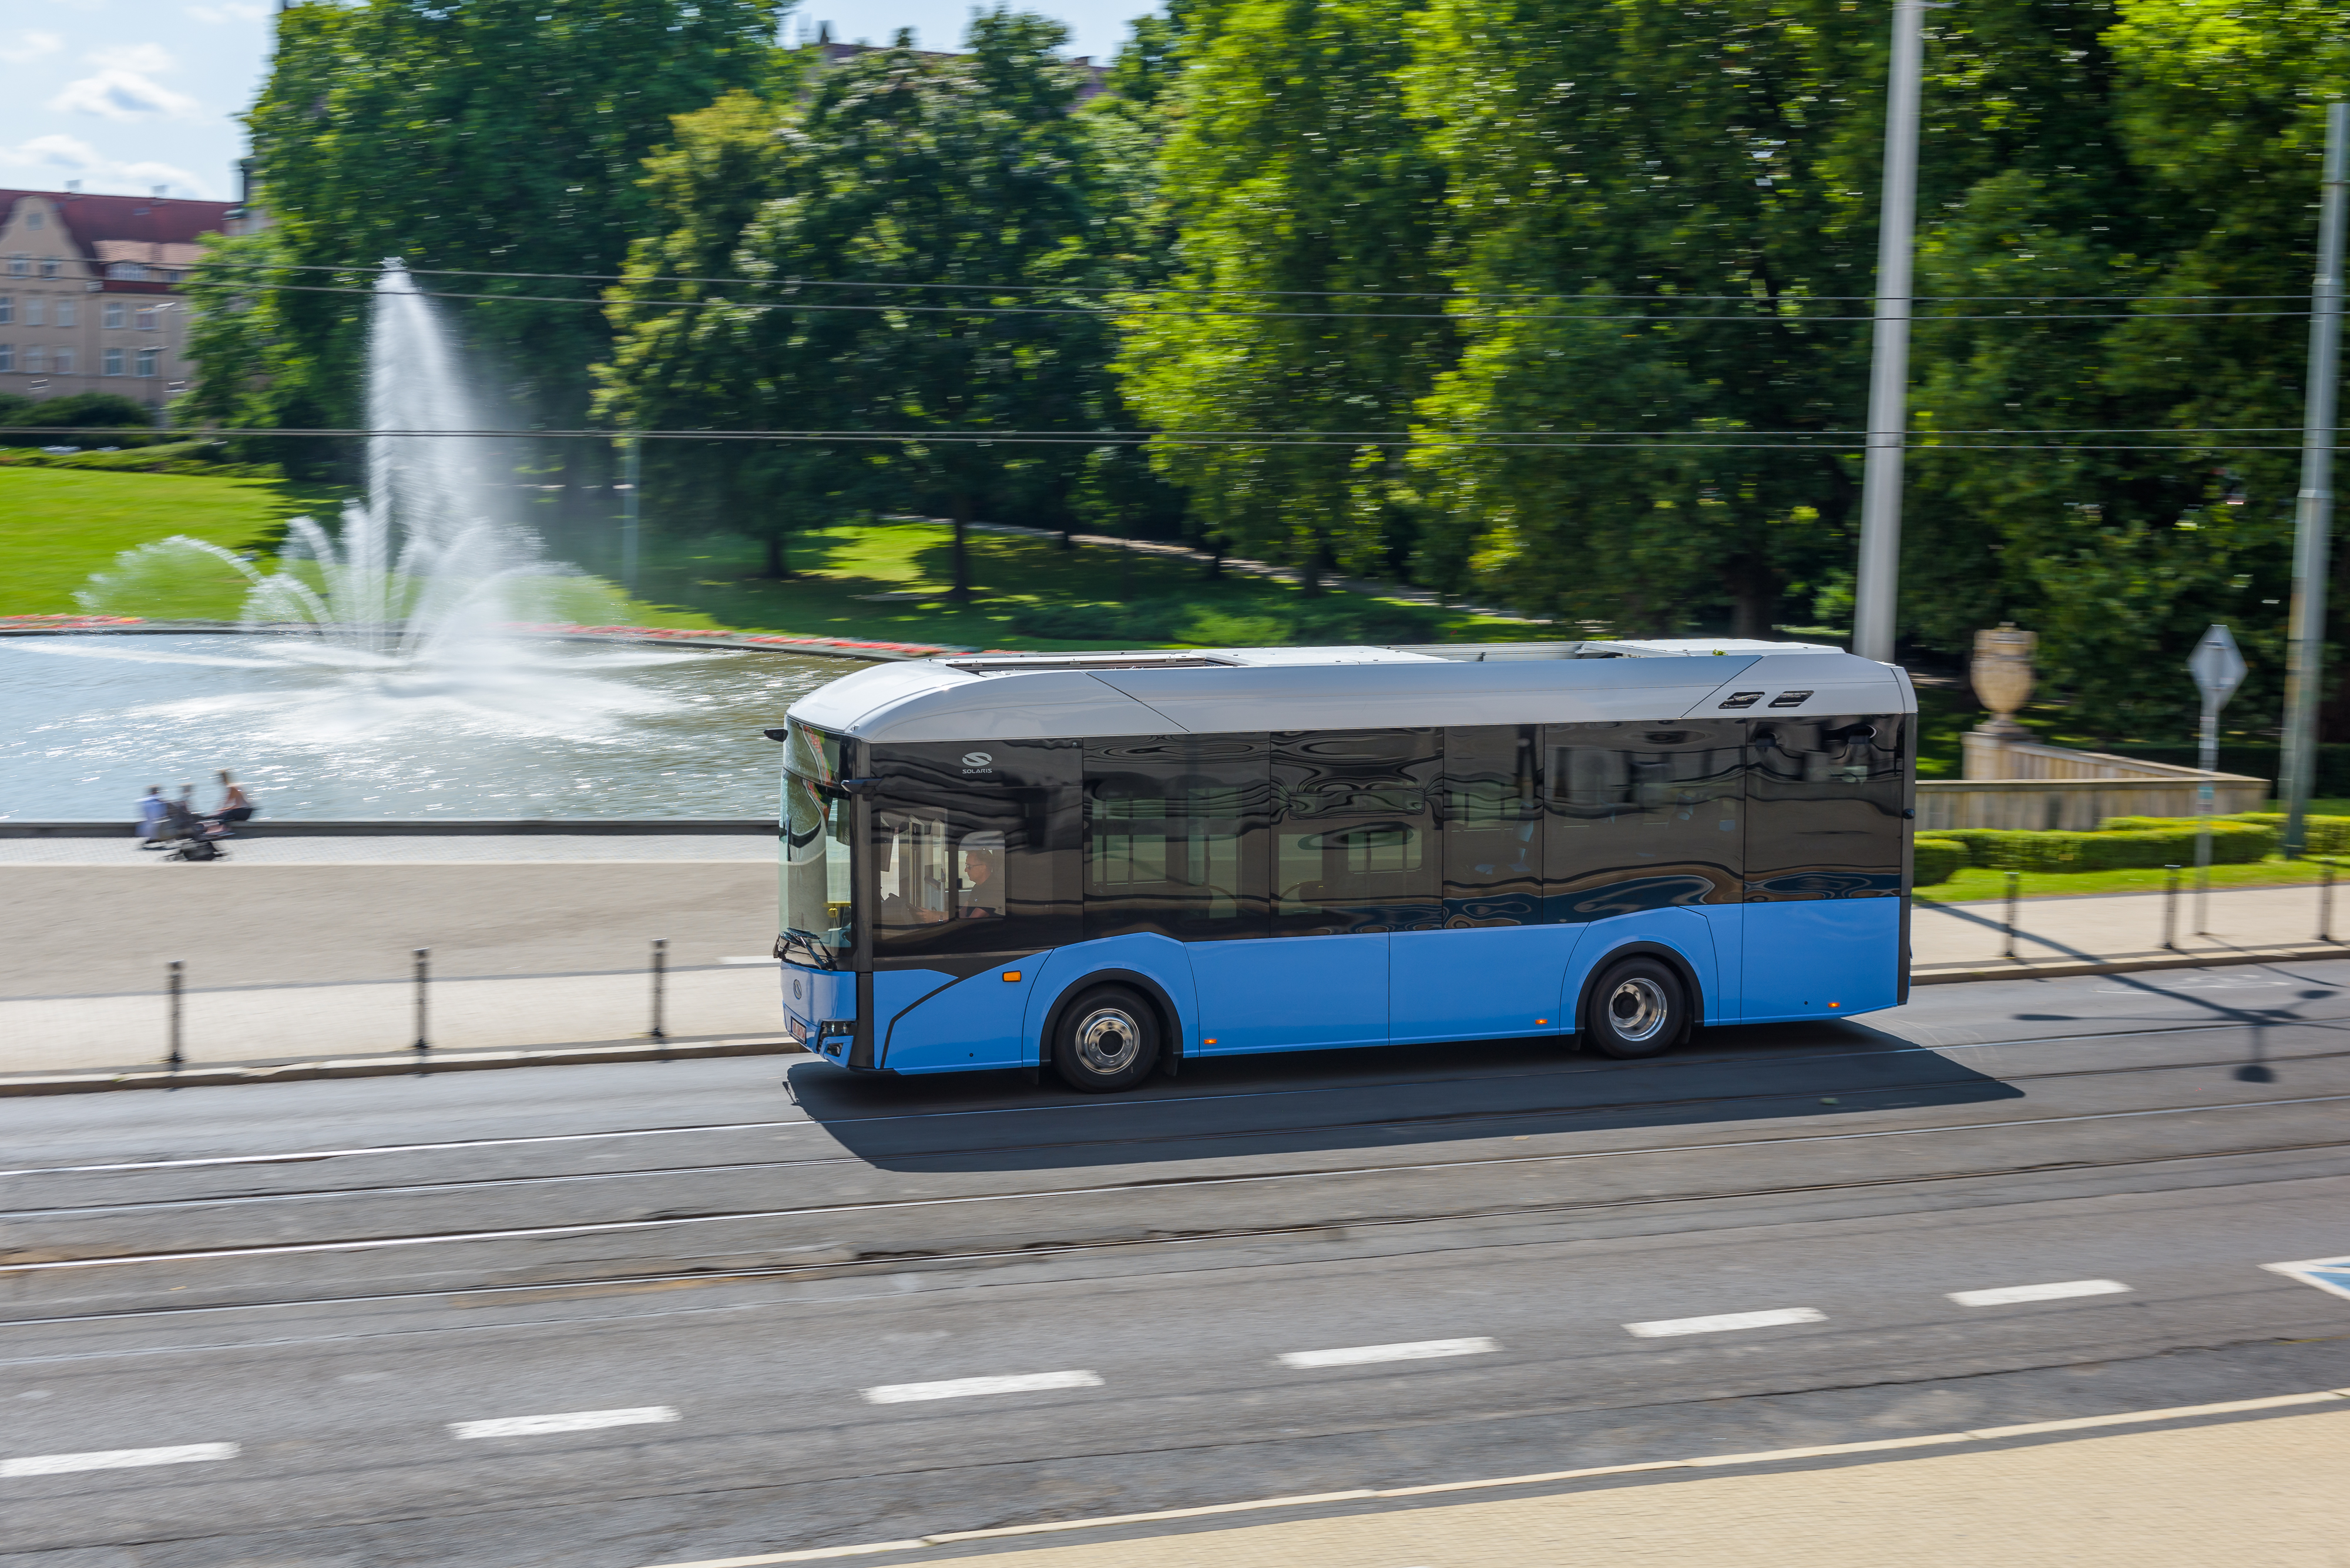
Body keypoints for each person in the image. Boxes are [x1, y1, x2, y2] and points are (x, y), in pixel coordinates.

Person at [205, 770, 257, 836]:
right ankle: (223, 828)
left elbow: (227, 803)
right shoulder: (236, 785)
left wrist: (216, 813)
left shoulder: (232, 788)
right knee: (226, 813)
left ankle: (223, 829)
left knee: (224, 814)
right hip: (248, 811)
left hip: (243, 812)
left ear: (223, 779)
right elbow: (235, 805)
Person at [133, 785, 167, 849]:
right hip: (155, 821)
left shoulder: (147, 800)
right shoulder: (156, 799)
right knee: (155, 833)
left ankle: (153, 841)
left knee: (153, 834)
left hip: (149, 821)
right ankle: (155, 841)